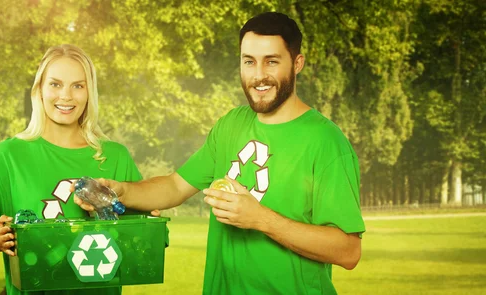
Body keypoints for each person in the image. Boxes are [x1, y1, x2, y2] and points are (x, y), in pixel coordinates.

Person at [75, 12, 365, 295]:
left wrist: (260, 218)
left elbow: (348, 250)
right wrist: (122, 191)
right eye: (249, 62)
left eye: (272, 62)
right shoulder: (231, 124)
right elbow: (176, 185)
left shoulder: (326, 142)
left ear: (297, 63)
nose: (259, 75)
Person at [0, 44, 143, 295]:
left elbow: (146, 243)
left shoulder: (114, 157)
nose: (66, 96)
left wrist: (138, 225)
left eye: (78, 85)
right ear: (39, 90)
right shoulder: (7, 156)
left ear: (90, 92)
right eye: (55, 84)